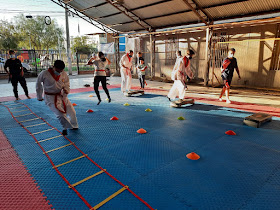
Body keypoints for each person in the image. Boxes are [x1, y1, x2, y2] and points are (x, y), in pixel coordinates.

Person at [36, 60, 78, 136]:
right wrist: (39, 96)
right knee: (60, 114)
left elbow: (66, 83)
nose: (59, 72)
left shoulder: (63, 73)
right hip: (50, 97)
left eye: (61, 70)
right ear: (53, 67)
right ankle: (65, 127)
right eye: (58, 70)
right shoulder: (44, 73)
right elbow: (38, 85)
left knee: (72, 111)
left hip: (62, 95)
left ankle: (74, 126)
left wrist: (66, 89)